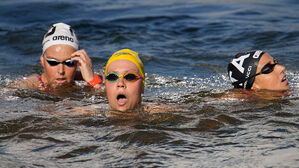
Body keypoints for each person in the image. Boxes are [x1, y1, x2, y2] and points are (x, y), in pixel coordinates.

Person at [13, 22, 102, 90]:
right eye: (53, 62)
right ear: (43, 61)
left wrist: (91, 80)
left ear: (78, 62)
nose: (61, 71)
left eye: (69, 63)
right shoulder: (29, 86)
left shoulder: (87, 79)